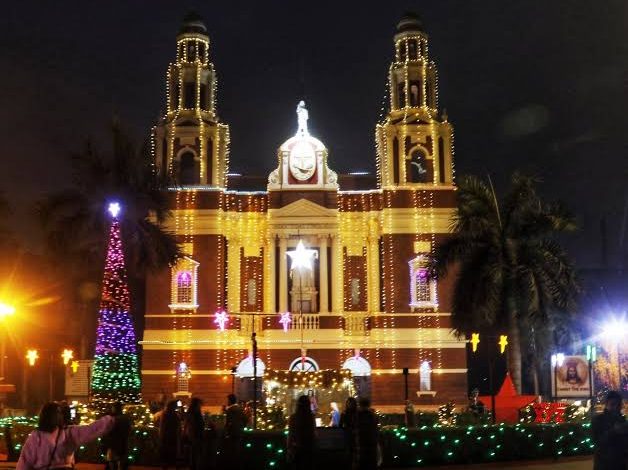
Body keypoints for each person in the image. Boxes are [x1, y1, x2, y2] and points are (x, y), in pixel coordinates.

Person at [17, 402, 115, 470]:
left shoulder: (67, 432)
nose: (61, 415)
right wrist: (110, 420)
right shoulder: (37, 436)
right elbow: (25, 460)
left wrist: (109, 420)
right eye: (58, 412)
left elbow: (90, 429)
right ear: (49, 415)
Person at [592, 390, 627, 470]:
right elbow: (597, 441)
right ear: (606, 404)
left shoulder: (622, 419)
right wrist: (613, 431)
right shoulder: (598, 420)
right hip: (605, 464)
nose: (615, 408)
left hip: (620, 463)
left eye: (618, 405)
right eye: (612, 404)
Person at [287, 395, 316, 470]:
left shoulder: (293, 417)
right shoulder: (311, 417)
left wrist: (289, 447)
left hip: (297, 447)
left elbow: (291, 433)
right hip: (308, 447)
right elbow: (313, 432)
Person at [220, 394, 247, 469]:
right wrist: (242, 427)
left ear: (230, 401)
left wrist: (225, 431)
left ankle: (233, 465)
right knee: (238, 450)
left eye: (228, 400)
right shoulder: (239, 409)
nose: (227, 402)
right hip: (239, 432)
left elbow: (228, 422)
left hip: (232, 433)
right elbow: (245, 419)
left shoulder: (230, 410)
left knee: (232, 451)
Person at [102, 402, 131, 470]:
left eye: (112, 407)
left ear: (115, 408)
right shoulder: (125, 418)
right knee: (120, 459)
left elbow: (109, 431)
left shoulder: (114, 418)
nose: (111, 409)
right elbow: (129, 430)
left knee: (111, 459)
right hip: (122, 442)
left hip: (113, 442)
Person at [354, 397, 379, 470]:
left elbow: (356, 426)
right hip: (371, 440)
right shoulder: (373, 415)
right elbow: (376, 426)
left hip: (362, 440)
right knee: (371, 459)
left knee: (362, 460)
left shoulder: (357, 415)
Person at [159, 400, 181, 470]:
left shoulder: (167, 414)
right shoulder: (169, 415)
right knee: (170, 453)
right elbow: (163, 426)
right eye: (175, 405)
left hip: (169, 436)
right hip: (170, 436)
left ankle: (166, 466)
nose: (177, 406)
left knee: (168, 454)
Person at [183, 398, 204, 470]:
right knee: (194, 452)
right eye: (199, 404)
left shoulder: (193, 412)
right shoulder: (194, 412)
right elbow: (192, 424)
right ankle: (193, 466)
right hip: (195, 434)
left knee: (194, 452)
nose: (200, 406)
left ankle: (193, 465)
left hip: (194, 434)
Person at [340, 397, 358, 465]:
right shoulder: (346, 413)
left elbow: (340, 425)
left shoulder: (347, 413)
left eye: (350, 403)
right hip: (349, 434)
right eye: (348, 403)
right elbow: (341, 424)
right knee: (350, 452)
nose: (349, 404)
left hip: (352, 434)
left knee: (352, 451)